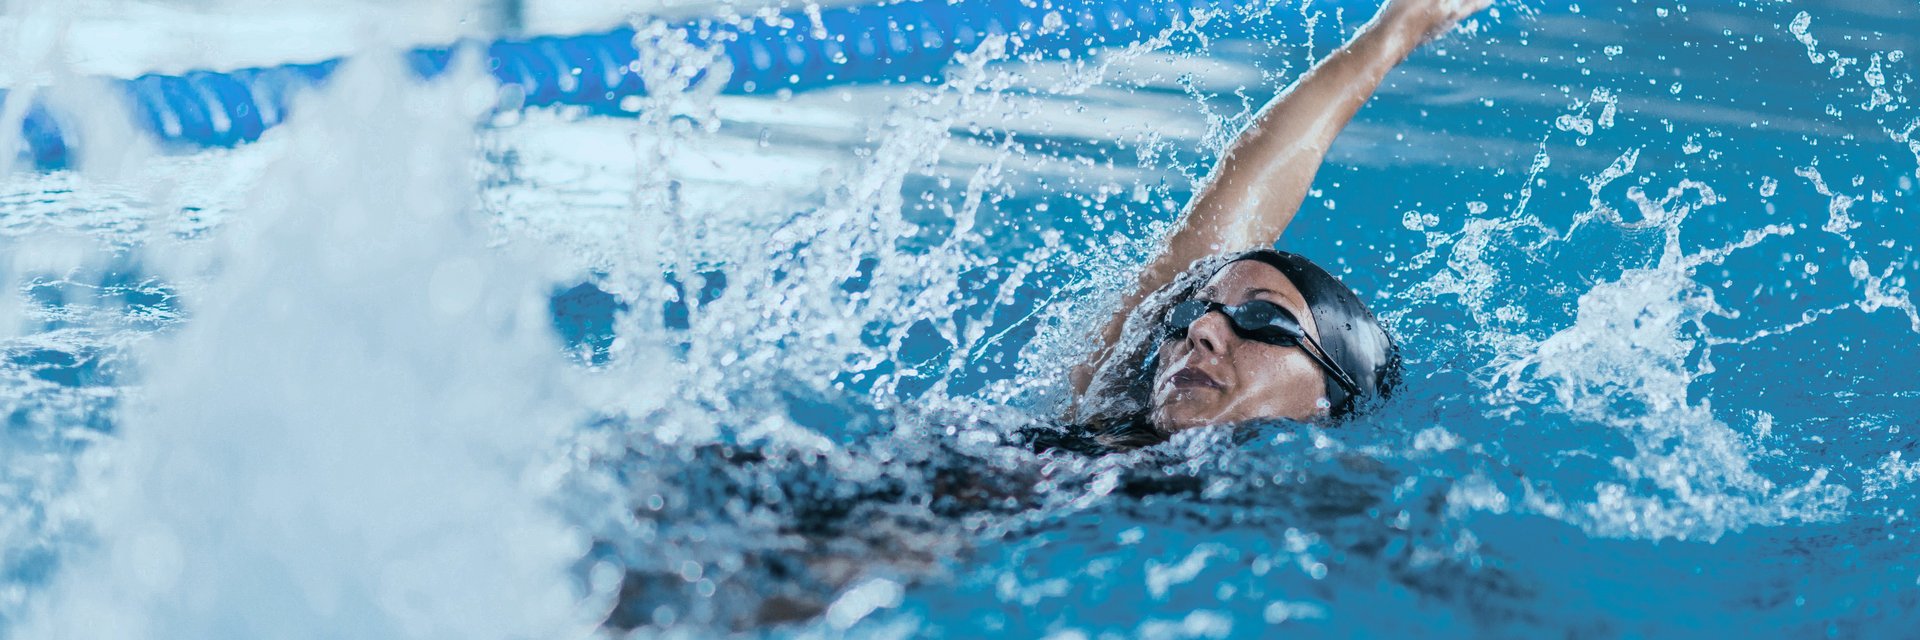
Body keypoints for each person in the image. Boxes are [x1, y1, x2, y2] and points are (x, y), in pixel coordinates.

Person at [1056, 0, 1493, 451]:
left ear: (1333, 395)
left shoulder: (1342, 503)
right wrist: (1393, 32)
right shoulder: (1096, 429)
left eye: (1264, 319)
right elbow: (1183, 265)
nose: (1199, 331)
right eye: (1189, 313)